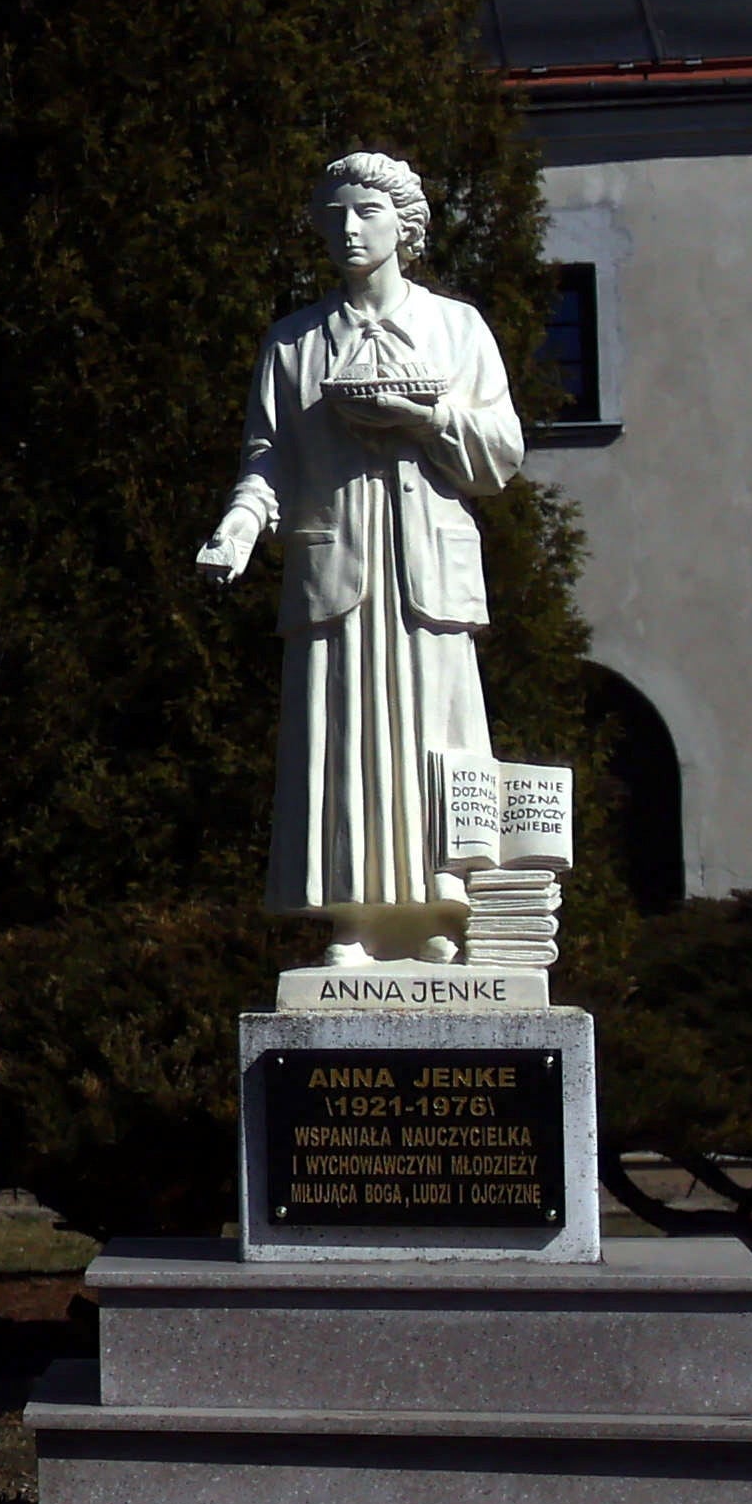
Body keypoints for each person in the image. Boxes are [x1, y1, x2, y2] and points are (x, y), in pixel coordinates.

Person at [192, 148, 523, 959]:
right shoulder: (294, 343)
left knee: (434, 740)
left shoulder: (456, 328)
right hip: (337, 573)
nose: (347, 228)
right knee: (341, 744)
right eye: (332, 215)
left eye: (365, 212)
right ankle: (353, 920)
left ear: (403, 225)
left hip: (426, 577)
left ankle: (440, 914)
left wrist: (423, 418)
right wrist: (237, 528)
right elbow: (267, 460)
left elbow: (502, 455)